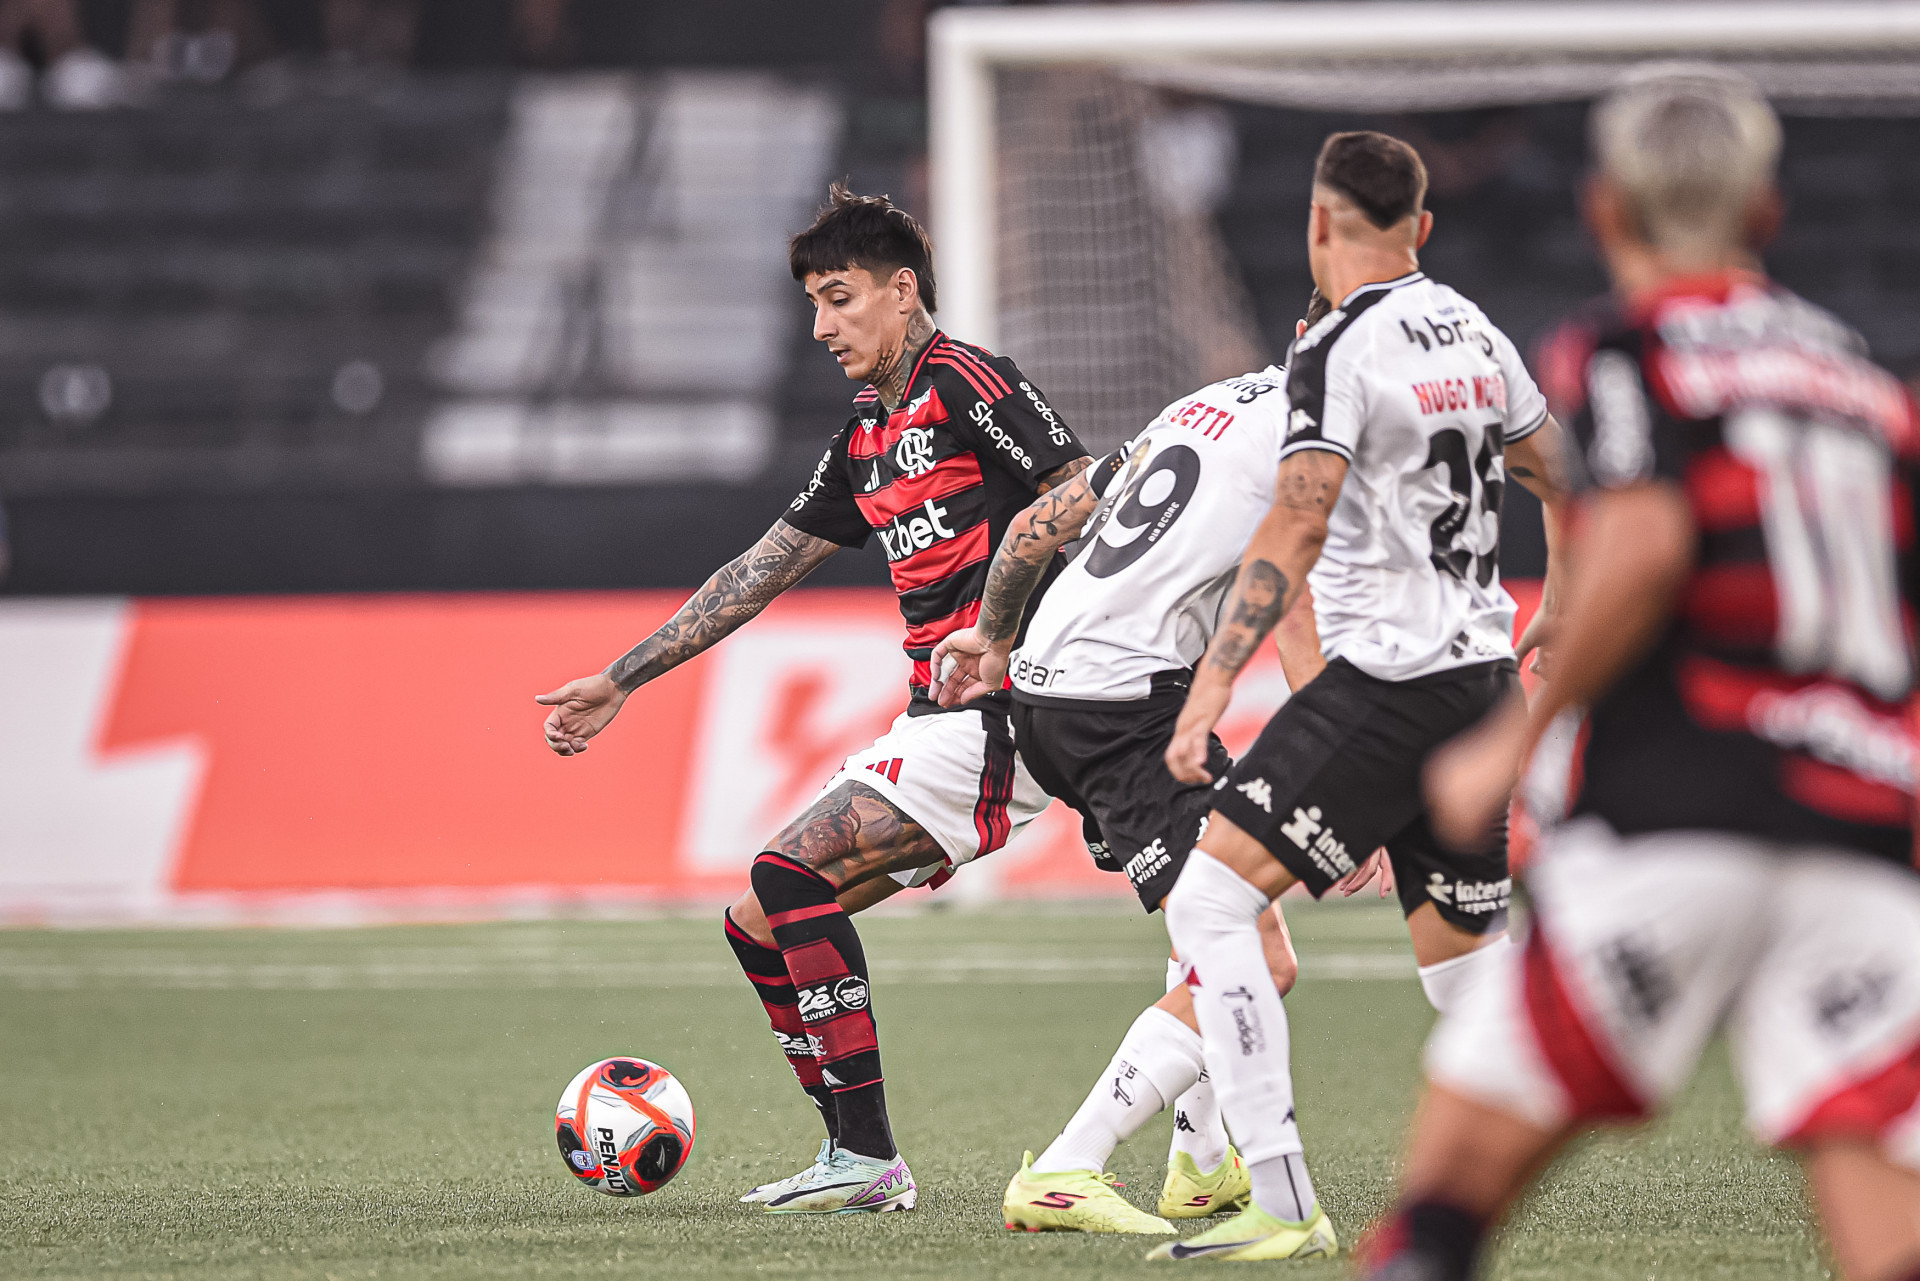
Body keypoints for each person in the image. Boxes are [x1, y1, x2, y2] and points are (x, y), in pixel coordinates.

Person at [1362, 66, 1920, 1281]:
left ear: (1603, 208)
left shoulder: (1631, 346)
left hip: (1682, 811)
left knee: (1444, 1211)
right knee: (1891, 1247)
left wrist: (1517, 736)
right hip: (1865, 837)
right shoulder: (1867, 387)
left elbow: (1650, 545)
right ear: (1767, 216)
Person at [536, 185, 1090, 1215]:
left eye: (840, 298)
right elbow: (760, 571)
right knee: (759, 920)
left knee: (788, 873)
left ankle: (870, 1158)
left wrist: (1011, 627)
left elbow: (1079, 491)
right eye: (813, 306)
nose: (824, 325)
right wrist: (622, 677)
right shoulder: (866, 433)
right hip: (937, 720)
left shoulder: (968, 381)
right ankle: (854, 1155)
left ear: (901, 289)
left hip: (1002, 714)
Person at [1147, 129, 1573, 1261]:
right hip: (1481, 683)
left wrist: (1216, 685)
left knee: (1208, 906)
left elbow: (1297, 514)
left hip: (1388, 683)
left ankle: (1281, 1203)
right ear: (1423, 229)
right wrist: (1563, 595)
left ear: (1319, 225)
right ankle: (1483, 1191)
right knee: (1463, 975)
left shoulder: (1336, 345)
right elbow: (1563, 470)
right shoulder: (1476, 329)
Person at [935, 292, 1341, 1240]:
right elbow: (1293, 609)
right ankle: (1069, 1164)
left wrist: (993, 638)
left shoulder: (1207, 403)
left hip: (1054, 688)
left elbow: (1043, 522)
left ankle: (1201, 1168)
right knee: (1259, 955)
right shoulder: (1311, 451)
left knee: (1213, 913)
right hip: (1122, 709)